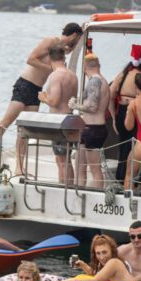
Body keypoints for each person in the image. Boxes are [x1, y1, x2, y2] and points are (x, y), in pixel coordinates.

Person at [0, 22, 83, 173]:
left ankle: (20, 167)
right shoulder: (50, 41)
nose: (77, 42)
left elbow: (66, 51)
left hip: (37, 90)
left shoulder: (63, 50)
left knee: (24, 130)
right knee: (6, 121)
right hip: (25, 84)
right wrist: (52, 70)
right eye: (78, 38)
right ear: (74, 35)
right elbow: (31, 59)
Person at [69, 53, 110, 188]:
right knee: (80, 168)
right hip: (87, 128)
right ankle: (78, 194)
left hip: (94, 128)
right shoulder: (101, 79)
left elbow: (92, 107)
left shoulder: (95, 80)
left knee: (95, 169)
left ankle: (95, 198)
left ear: (84, 67)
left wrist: (75, 106)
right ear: (99, 65)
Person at [39, 45, 79, 185]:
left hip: (59, 121)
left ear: (49, 58)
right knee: (63, 159)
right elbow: (73, 99)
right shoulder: (72, 75)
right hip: (70, 118)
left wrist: (43, 98)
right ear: (63, 57)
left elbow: (54, 101)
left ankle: (64, 188)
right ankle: (66, 186)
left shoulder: (56, 76)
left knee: (63, 161)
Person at [109, 44, 141, 182]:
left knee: (122, 144)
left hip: (120, 111)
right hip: (136, 112)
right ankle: (128, 176)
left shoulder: (123, 73)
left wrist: (113, 117)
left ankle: (120, 176)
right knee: (132, 146)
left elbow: (111, 93)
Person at [58, 233, 137, 281]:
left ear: (112, 251)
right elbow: (96, 275)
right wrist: (83, 265)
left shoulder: (114, 263)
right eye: (98, 253)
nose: (102, 257)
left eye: (104, 252)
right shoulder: (104, 264)